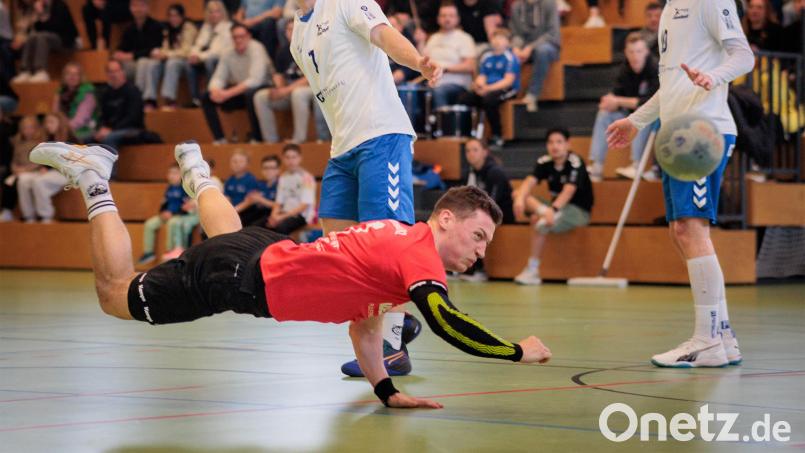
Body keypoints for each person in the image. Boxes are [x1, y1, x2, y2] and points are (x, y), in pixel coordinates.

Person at [28, 140, 553, 408]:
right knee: (114, 294)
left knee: (226, 238)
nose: (481, 252)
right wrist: (515, 350)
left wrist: (387, 392)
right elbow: (447, 323)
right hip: (241, 277)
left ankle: (199, 174)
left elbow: (365, 325)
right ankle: (95, 177)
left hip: (265, 250)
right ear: (445, 220)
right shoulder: (420, 258)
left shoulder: (400, 237)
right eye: (478, 236)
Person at [289, 0, 442, 377]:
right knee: (341, 255)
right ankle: (394, 326)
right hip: (342, 149)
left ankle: (392, 350)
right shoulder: (296, 33)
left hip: (381, 135)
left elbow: (384, 36)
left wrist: (417, 61)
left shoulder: (345, 2)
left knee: (386, 247)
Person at [607, 0, 754, 368]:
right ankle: (722, 336)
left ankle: (706, 340)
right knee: (680, 231)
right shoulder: (672, 8)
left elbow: (744, 56)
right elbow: (670, 85)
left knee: (691, 229)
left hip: (704, 132)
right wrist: (636, 121)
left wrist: (714, 76)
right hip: (677, 134)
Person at [512, 127, 594, 285]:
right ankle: (544, 212)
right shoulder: (544, 161)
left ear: (568, 144)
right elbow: (529, 182)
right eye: (550, 142)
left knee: (539, 222)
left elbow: (568, 191)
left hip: (577, 211)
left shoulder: (576, 162)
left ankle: (533, 270)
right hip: (554, 208)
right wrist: (520, 200)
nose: (554, 146)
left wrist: (553, 210)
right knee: (518, 193)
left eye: (559, 142)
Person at [587, 33, 659, 182]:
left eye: (639, 51)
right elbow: (616, 95)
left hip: (652, 117)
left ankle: (636, 165)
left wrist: (618, 101)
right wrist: (608, 101)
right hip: (628, 115)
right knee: (604, 113)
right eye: (631, 52)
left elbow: (651, 102)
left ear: (646, 52)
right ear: (626, 53)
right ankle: (597, 166)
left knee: (642, 113)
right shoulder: (624, 69)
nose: (635, 56)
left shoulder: (655, 67)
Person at [253, 20, 329, 144]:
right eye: (288, 29)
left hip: (314, 89)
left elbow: (312, 77)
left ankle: (299, 139)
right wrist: (279, 88)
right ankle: (270, 141)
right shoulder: (282, 51)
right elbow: (278, 74)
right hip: (289, 90)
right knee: (260, 97)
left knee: (298, 93)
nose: (292, 32)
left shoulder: (313, 47)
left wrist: (286, 90)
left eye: (295, 29)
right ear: (285, 33)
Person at [202, 23, 273, 144]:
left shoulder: (257, 48)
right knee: (207, 96)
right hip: (238, 90)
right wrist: (215, 90)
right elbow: (219, 77)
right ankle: (220, 138)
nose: (238, 40)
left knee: (252, 94)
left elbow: (255, 80)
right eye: (235, 37)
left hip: (262, 87)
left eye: (242, 36)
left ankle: (257, 138)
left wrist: (227, 94)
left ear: (249, 36)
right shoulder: (228, 52)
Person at [459, 138, 514, 282]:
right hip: (482, 213)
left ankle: (479, 270)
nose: (471, 154)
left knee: (474, 228)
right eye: (468, 151)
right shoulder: (471, 173)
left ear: (485, 152)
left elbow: (492, 205)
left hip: (501, 215)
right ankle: (457, 266)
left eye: (475, 150)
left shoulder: (495, 172)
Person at [458, 27, 520, 146]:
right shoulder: (487, 57)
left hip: (507, 90)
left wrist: (487, 89)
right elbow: (482, 76)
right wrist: (478, 86)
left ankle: (497, 135)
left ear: (508, 42)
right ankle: (467, 132)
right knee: (465, 98)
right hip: (488, 89)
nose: (497, 41)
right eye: (495, 38)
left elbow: (508, 81)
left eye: (501, 38)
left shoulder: (511, 58)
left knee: (489, 100)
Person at [421, 3, 476, 108]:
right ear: (438, 19)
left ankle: (442, 124)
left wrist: (445, 68)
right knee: (412, 90)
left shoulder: (465, 38)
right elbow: (423, 61)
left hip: (457, 85)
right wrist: (420, 42)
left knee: (439, 91)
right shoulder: (433, 38)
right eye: (443, 15)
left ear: (457, 19)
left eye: (451, 16)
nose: (447, 19)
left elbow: (470, 66)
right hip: (432, 83)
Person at [510, 0, 560, 112]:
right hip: (524, 46)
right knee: (506, 51)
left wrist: (530, 47)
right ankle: (509, 92)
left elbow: (552, 34)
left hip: (548, 45)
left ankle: (532, 94)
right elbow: (515, 33)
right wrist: (516, 48)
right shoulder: (516, 6)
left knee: (542, 51)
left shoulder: (549, 4)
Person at [12, 0, 78, 83]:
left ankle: (41, 70)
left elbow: (56, 27)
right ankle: (25, 70)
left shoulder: (59, 5)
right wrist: (39, 15)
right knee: (31, 37)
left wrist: (42, 14)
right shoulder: (41, 7)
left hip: (66, 41)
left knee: (42, 36)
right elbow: (39, 28)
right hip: (49, 40)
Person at [113, 0, 164, 105]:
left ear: (147, 7)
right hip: (134, 62)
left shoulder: (156, 26)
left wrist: (132, 55)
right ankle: (119, 98)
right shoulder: (130, 28)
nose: (138, 9)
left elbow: (153, 50)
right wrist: (118, 54)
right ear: (130, 8)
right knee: (116, 68)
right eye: (134, 6)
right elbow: (122, 48)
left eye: (141, 6)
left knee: (143, 62)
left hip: (153, 62)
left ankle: (141, 99)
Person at [136, 163, 188, 265]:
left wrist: (172, 214)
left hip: (178, 216)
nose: (171, 175)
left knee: (172, 222)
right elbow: (164, 203)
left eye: (175, 173)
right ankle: (149, 252)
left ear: (182, 174)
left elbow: (186, 208)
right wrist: (162, 213)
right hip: (167, 215)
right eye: (170, 173)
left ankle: (170, 250)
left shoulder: (185, 188)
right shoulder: (169, 188)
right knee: (149, 223)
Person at [186, 1, 233, 107]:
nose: (214, 15)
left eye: (217, 11)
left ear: (223, 13)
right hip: (204, 57)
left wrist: (199, 57)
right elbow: (198, 44)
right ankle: (195, 99)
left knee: (209, 61)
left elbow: (217, 51)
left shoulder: (228, 27)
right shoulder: (206, 27)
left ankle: (210, 96)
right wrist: (193, 55)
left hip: (220, 59)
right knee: (189, 64)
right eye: (211, 12)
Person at [154, 3, 199, 110]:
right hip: (174, 60)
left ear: (182, 16)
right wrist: (159, 53)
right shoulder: (168, 30)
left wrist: (167, 54)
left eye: (176, 15)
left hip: (188, 62)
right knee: (152, 63)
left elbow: (185, 51)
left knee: (172, 63)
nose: (173, 19)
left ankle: (170, 100)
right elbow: (165, 48)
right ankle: (149, 101)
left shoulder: (189, 27)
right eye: (170, 16)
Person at [93, 59, 145, 149]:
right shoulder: (106, 94)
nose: (113, 74)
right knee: (88, 139)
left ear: (123, 72)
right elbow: (102, 116)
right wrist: (101, 129)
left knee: (109, 138)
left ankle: (109, 163)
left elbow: (133, 118)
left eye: (116, 71)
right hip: (111, 129)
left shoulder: (133, 91)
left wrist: (111, 129)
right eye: (110, 71)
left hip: (132, 128)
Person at [267, 144, 315, 235]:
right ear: (284, 159)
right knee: (262, 225)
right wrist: (274, 216)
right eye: (287, 157)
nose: (291, 161)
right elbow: (278, 202)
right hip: (285, 213)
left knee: (281, 227)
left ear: (300, 158)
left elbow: (303, 206)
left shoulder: (307, 178)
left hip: (301, 216)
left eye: (294, 157)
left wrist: (280, 218)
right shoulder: (283, 177)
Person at [5, 116, 43, 223]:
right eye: (25, 128)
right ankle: (22, 213)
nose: (28, 131)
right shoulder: (18, 142)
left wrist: (25, 170)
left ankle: (32, 214)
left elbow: (40, 162)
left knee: (22, 180)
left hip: (35, 171)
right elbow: (14, 160)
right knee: (11, 182)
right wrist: (15, 169)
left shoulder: (40, 142)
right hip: (20, 171)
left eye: (31, 128)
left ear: (36, 129)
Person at [52, 62, 98, 142]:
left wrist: (64, 129)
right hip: (63, 129)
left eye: (76, 74)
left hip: (83, 129)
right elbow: (55, 113)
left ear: (80, 77)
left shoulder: (87, 92)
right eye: (69, 74)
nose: (72, 77)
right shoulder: (60, 92)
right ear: (64, 76)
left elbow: (81, 119)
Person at [239, 154, 280, 227]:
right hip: (256, 211)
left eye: (272, 168)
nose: (269, 171)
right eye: (266, 168)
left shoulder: (280, 185)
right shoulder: (259, 184)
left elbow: (280, 206)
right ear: (262, 170)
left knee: (253, 226)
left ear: (278, 170)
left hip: (270, 214)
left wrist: (261, 200)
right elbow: (250, 199)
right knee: (240, 220)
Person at [224, 148, 259, 219]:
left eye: (241, 161)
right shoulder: (229, 180)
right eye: (234, 161)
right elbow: (227, 197)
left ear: (248, 164)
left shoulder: (251, 179)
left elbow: (249, 201)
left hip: (246, 212)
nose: (237, 164)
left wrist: (234, 211)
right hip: (232, 210)